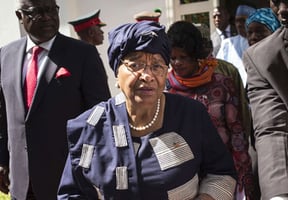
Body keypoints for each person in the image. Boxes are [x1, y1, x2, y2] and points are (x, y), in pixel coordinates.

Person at [57, 20, 237, 200]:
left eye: (157, 66)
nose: (147, 76)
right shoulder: (89, 127)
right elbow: (71, 193)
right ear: (116, 74)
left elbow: (221, 174)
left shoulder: (190, 115)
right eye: (135, 65)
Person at [0, 0, 111, 199]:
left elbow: (100, 117)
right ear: (20, 16)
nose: (48, 17)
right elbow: (2, 115)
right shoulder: (5, 55)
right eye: (39, 12)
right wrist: (1, 160)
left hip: (68, 180)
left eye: (52, 10)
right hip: (21, 183)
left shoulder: (82, 54)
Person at [166, 20, 254, 200]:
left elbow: (237, 132)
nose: (177, 63)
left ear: (196, 55)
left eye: (183, 57)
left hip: (221, 172)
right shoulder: (165, 88)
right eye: (173, 58)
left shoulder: (221, 84)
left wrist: (242, 173)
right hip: (183, 174)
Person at [243, 0, 288, 199]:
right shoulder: (263, 59)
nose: (283, 9)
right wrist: (280, 195)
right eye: (276, 1)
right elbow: (273, 129)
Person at [217, 5, 256, 87]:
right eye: (237, 21)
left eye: (243, 20)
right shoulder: (227, 44)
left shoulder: (261, 42)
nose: (239, 24)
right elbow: (219, 70)